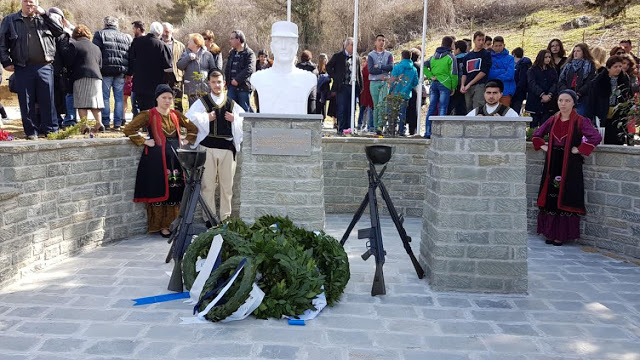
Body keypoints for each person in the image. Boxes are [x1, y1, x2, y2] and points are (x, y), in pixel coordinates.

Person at [123, 84, 198, 236]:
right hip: (156, 162)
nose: (167, 101)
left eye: (170, 98)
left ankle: (173, 224)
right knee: (159, 191)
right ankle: (160, 226)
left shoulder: (176, 115)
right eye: (164, 97)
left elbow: (193, 129)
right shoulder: (148, 115)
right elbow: (129, 129)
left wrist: (186, 140)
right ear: (157, 98)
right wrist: (144, 141)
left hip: (175, 161)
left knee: (174, 191)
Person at [532, 90, 602, 246]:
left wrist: (580, 149)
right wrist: (544, 147)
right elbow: (536, 135)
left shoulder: (581, 121)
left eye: (567, 101)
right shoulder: (552, 119)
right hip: (553, 162)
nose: (563, 104)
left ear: (573, 103)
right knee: (551, 195)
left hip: (570, 164)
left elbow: (596, 137)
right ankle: (550, 233)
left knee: (566, 194)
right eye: (560, 100)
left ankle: (561, 235)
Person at [0, 0, 64, 139]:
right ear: (21, 3)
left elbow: (59, 31)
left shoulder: (45, 18)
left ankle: (51, 130)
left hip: (45, 66)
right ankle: (31, 132)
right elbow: (2, 43)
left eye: (32, 1)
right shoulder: (10, 20)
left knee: (48, 99)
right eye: (26, 1)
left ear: (37, 3)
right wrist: (5, 61)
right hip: (22, 66)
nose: (29, 4)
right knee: (26, 101)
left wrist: (46, 14)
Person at [185, 71, 243, 221]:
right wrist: (206, 117)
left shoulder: (231, 104)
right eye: (213, 82)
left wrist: (234, 119)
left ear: (224, 83)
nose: (216, 85)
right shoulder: (202, 103)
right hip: (207, 149)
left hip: (227, 150)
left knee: (226, 187)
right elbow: (189, 119)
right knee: (207, 186)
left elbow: (245, 120)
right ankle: (209, 218)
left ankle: (225, 218)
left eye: (219, 82)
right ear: (209, 83)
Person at [250, 21, 316, 115]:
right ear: (272, 47)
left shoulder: (309, 79)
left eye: (289, 42)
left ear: (296, 47)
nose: (284, 47)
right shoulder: (258, 78)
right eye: (279, 42)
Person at [93, 16, 132, 131]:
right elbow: (129, 56)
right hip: (121, 71)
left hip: (105, 70)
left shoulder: (99, 34)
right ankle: (118, 123)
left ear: (105, 24)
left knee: (105, 97)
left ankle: (105, 122)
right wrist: (129, 72)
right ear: (117, 25)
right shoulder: (126, 37)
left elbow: (96, 52)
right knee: (119, 98)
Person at [64, 25, 105, 132]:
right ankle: (99, 123)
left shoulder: (75, 45)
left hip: (81, 75)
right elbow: (100, 64)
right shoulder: (96, 47)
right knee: (95, 102)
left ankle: (84, 125)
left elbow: (69, 62)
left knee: (81, 102)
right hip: (97, 77)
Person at [127, 22, 172, 111]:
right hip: (156, 84)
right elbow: (168, 67)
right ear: (160, 33)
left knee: (143, 109)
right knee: (154, 110)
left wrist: (129, 74)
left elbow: (130, 60)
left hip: (140, 82)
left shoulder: (137, 42)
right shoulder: (162, 46)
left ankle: (144, 124)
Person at [587, 55, 631, 145]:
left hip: (618, 114)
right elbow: (592, 100)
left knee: (618, 138)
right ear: (608, 68)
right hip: (603, 112)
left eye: (620, 66)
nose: (618, 69)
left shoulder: (624, 79)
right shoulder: (598, 81)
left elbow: (628, 95)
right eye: (615, 67)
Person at [424, 36, 458, 138]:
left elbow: (424, 66)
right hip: (445, 84)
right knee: (443, 107)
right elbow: (454, 73)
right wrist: (453, 87)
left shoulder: (433, 56)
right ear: (450, 44)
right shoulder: (451, 57)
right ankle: (440, 133)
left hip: (434, 84)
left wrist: (430, 76)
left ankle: (427, 132)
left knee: (431, 108)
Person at [327, 37, 362, 134]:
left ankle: (350, 127)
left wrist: (360, 87)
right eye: (352, 45)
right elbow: (328, 67)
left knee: (352, 108)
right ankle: (341, 128)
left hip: (353, 87)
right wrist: (335, 77)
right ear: (346, 45)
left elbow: (359, 73)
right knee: (341, 107)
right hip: (342, 87)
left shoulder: (356, 58)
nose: (354, 47)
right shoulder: (338, 56)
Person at [49, 7, 76, 128]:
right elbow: (66, 54)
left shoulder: (48, 31)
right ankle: (66, 120)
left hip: (50, 68)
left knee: (54, 96)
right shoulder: (64, 34)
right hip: (61, 70)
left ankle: (58, 119)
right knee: (65, 95)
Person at [177, 33, 217, 106]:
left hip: (205, 88)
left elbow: (213, 70)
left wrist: (212, 84)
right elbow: (179, 66)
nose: (188, 42)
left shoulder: (208, 55)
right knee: (193, 111)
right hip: (191, 89)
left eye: (190, 41)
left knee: (206, 110)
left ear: (196, 43)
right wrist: (188, 58)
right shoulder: (185, 54)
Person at [558, 43, 596, 116]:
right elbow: (561, 80)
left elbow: (589, 81)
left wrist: (579, 93)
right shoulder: (567, 65)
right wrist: (566, 92)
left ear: (584, 52)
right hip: (567, 96)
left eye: (578, 51)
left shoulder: (589, 65)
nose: (575, 53)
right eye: (574, 51)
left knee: (580, 116)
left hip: (582, 96)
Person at [368, 34, 394, 132]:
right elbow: (371, 70)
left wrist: (378, 66)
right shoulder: (371, 55)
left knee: (382, 104)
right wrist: (384, 69)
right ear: (375, 42)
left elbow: (391, 67)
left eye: (383, 40)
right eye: (379, 40)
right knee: (376, 105)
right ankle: (375, 126)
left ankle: (380, 125)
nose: (381, 42)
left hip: (385, 82)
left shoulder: (389, 55)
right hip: (374, 82)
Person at [224, 30, 256, 112]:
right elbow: (228, 68)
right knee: (230, 109)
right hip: (232, 87)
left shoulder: (249, 53)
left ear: (238, 39)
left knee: (244, 110)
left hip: (244, 88)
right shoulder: (232, 53)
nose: (230, 41)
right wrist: (227, 82)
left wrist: (237, 80)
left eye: (232, 38)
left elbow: (250, 68)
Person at [461, 31, 492, 112]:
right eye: (479, 40)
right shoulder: (467, 56)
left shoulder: (486, 54)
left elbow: (484, 71)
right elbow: (464, 73)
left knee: (478, 107)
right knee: (468, 107)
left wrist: (470, 83)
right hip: (468, 85)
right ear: (474, 40)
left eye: (483, 40)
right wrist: (462, 85)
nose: (481, 42)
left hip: (480, 84)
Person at [526, 50, 558, 128]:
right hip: (535, 100)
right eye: (546, 57)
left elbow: (555, 83)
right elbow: (532, 84)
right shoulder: (532, 70)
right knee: (534, 123)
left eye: (549, 57)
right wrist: (542, 95)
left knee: (546, 123)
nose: (548, 59)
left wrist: (550, 94)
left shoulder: (552, 70)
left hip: (549, 102)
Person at [390, 50, 419, 136]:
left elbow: (392, 80)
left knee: (394, 112)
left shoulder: (397, 67)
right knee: (403, 113)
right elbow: (415, 83)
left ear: (402, 57)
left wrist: (390, 91)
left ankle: (392, 129)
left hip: (395, 93)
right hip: (406, 93)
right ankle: (401, 130)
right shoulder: (413, 69)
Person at [162, 22, 185, 113]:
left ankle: (179, 123)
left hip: (176, 76)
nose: (165, 34)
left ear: (171, 32)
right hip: (161, 75)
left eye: (167, 31)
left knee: (178, 101)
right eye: (163, 31)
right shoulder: (157, 43)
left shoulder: (180, 45)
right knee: (161, 100)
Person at [488, 36, 515, 106]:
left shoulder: (510, 58)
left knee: (504, 112)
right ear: (492, 46)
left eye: (500, 45)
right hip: (492, 90)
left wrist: (496, 76)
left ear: (504, 45)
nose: (498, 48)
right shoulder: (489, 58)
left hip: (506, 90)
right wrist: (503, 71)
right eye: (496, 46)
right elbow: (490, 74)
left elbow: (510, 75)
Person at [128, 20, 145, 118]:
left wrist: (129, 73)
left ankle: (138, 120)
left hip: (138, 75)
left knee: (135, 100)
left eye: (134, 29)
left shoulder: (137, 42)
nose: (133, 31)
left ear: (138, 29)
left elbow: (131, 58)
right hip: (143, 75)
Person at [448, 40, 468, 116]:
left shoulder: (454, 59)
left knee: (456, 105)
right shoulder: (469, 57)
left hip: (456, 84)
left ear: (458, 49)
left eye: (454, 49)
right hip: (467, 84)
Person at [296, 49, 319, 114]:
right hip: (311, 93)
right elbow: (316, 78)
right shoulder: (314, 67)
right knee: (312, 112)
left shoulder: (297, 67)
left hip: (300, 93)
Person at [511, 47, 531, 114]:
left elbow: (521, 80)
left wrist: (516, 90)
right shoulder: (526, 64)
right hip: (521, 92)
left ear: (514, 54)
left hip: (517, 92)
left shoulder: (521, 65)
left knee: (514, 111)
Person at [358, 55, 374, 132]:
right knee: (364, 109)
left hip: (366, 91)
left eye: (365, 61)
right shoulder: (366, 69)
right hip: (365, 91)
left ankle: (362, 124)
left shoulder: (365, 69)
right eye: (362, 62)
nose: (363, 63)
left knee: (365, 109)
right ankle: (365, 125)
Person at [317, 53, 331, 120]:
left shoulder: (327, 68)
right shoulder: (317, 68)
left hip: (324, 89)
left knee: (323, 104)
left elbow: (330, 78)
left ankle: (323, 118)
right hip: (319, 89)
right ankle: (321, 118)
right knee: (320, 104)